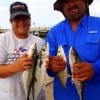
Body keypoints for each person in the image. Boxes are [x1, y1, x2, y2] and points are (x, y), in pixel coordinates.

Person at [46, 0, 100, 100]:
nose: (71, 4)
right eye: (66, 1)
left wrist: (95, 68)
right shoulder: (54, 33)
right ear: (62, 7)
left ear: (85, 2)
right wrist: (52, 66)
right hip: (64, 96)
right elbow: (48, 68)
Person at [0, 1, 44, 100]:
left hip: (37, 97)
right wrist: (16, 67)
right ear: (11, 21)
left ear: (30, 19)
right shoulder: (2, 40)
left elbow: (44, 68)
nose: (21, 22)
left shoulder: (40, 42)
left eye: (24, 18)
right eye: (17, 19)